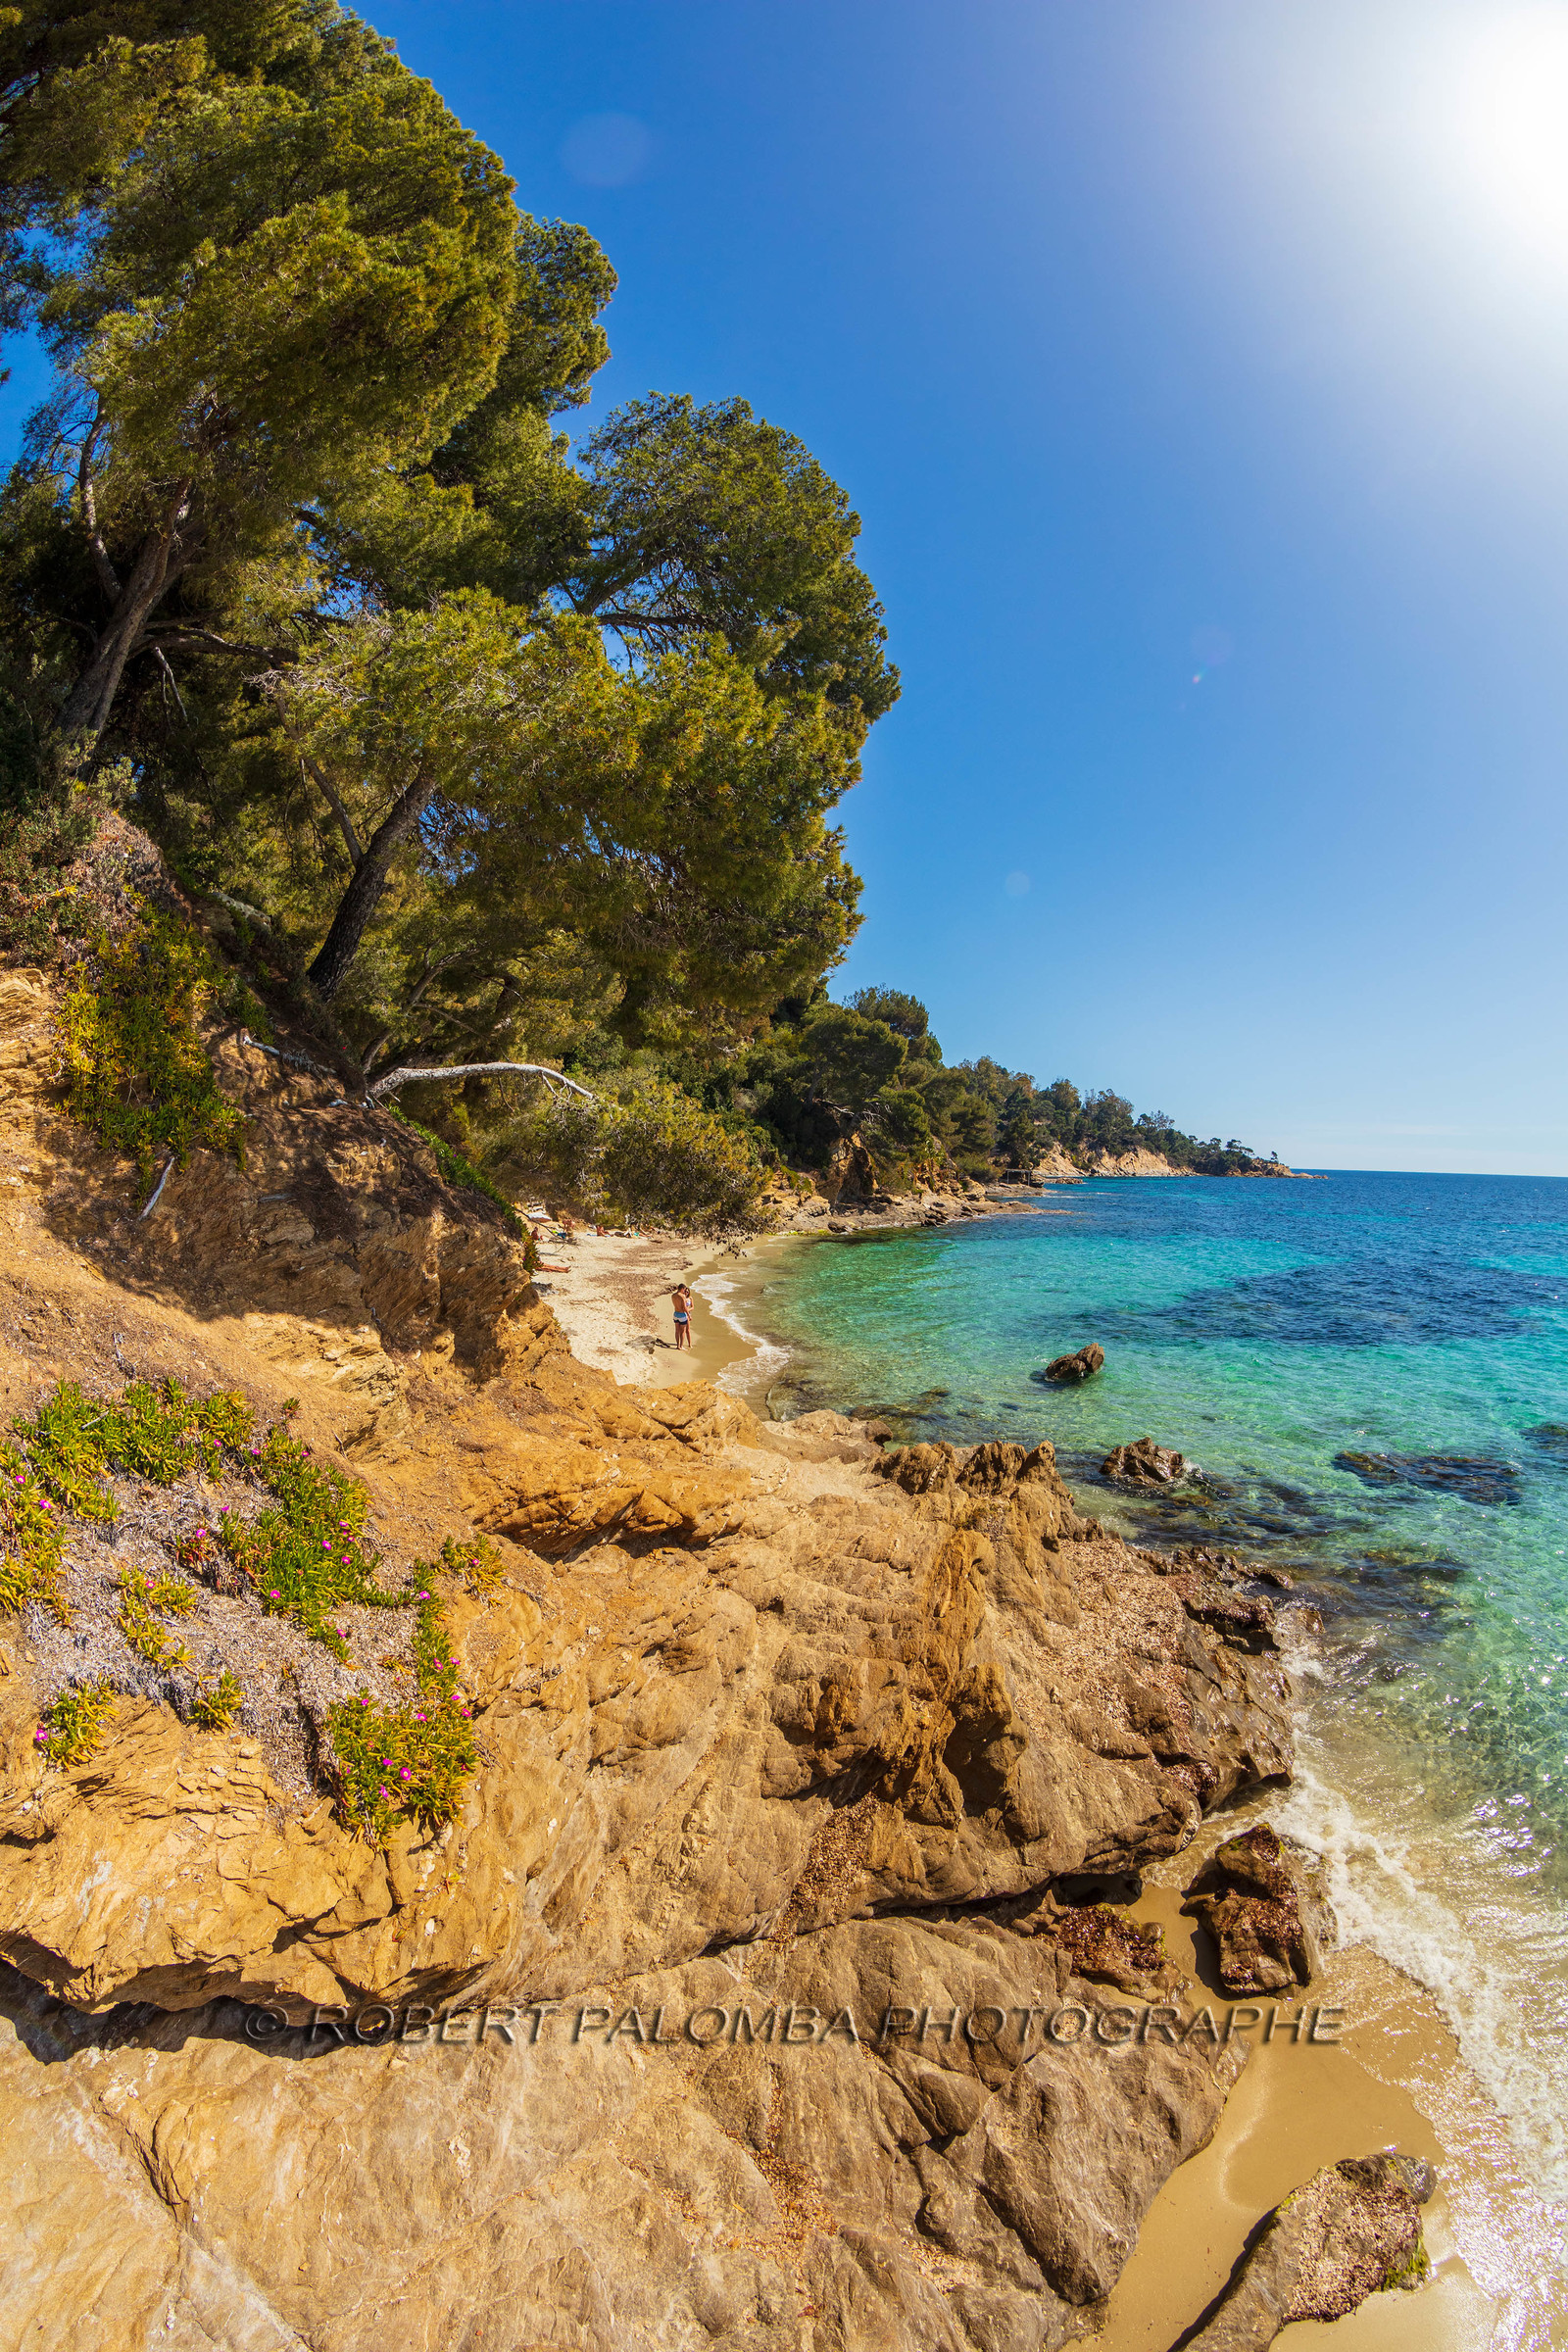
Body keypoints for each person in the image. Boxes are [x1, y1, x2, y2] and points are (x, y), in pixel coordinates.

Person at [671, 1284, 693, 1350]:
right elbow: (684, 1307)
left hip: (675, 1314)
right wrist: (689, 1315)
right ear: (682, 1288)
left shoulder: (673, 1295)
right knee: (683, 1331)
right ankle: (681, 1346)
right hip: (682, 1315)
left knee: (677, 1330)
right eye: (684, 1289)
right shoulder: (682, 1296)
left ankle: (677, 1345)